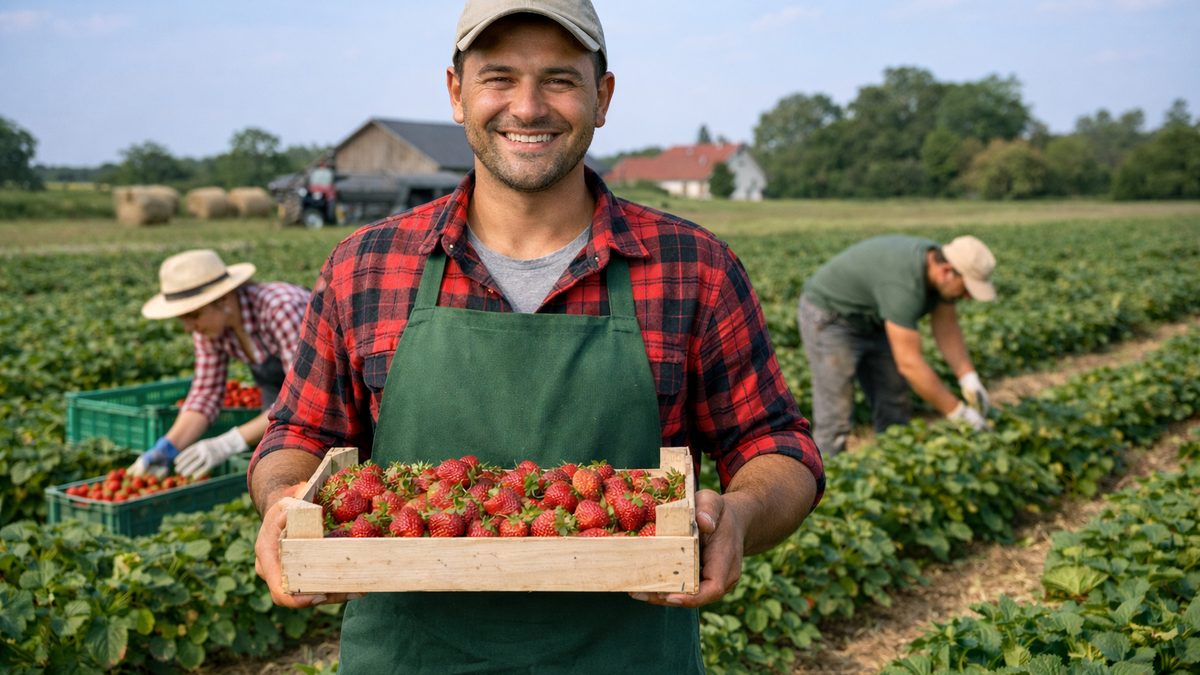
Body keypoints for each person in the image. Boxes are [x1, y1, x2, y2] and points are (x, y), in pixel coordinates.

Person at [250, 1, 824, 672]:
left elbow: (777, 444)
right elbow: (299, 437)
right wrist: (288, 500)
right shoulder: (366, 265)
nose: (527, 107)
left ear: (601, 96)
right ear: (455, 93)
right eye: (498, 77)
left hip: (626, 656)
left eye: (558, 79)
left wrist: (743, 512)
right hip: (410, 655)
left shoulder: (693, 266)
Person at [796, 234, 997, 458]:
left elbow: (947, 328)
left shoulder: (940, 271)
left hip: (875, 319)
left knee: (894, 400)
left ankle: (893, 466)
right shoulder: (904, 285)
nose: (969, 296)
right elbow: (910, 364)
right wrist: (958, 413)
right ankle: (826, 479)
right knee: (836, 413)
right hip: (831, 317)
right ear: (946, 272)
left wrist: (968, 377)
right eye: (967, 287)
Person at [129, 249, 310, 478]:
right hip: (280, 397)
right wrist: (168, 446)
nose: (188, 327)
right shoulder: (210, 329)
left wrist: (229, 443)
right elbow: (206, 393)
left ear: (223, 299)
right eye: (182, 318)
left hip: (328, 392)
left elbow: (304, 397)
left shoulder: (280, 309)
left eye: (193, 315)